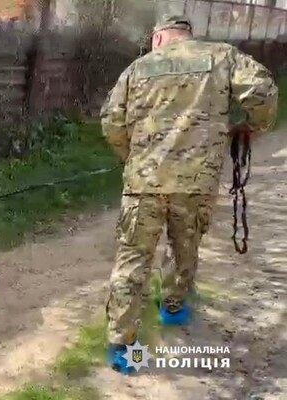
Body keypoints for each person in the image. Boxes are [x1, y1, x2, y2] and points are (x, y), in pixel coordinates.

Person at [100, 15, 278, 374]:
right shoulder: (222, 56)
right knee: (185, 247)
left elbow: (111, 122)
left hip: (144, 184)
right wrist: (251, 127)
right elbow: (262, 92)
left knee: (133, 260)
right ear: (188, 35)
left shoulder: (138, 69)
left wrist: (132, 157)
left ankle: (122, 347)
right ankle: (172, 307)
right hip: (196, 183)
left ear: (158, 38)